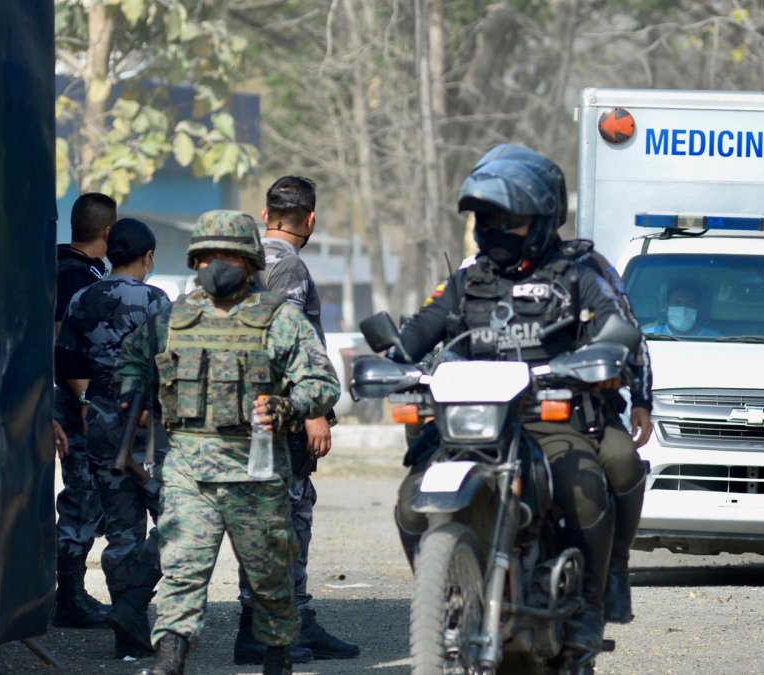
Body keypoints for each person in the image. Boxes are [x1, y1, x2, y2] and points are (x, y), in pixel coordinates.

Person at [391, 144, 650, 655]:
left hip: (551, 413)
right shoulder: (469, 279)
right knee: (409, 501)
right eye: (486, 220)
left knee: (591, 481)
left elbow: (622, 330)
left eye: (507, 220)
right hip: (476, 417)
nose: (493, 231)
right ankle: (445, 595)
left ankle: (592, 604)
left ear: (541, 221)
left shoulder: (578, 272)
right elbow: (421, 329)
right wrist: (394, 356)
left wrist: (613, 371)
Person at [115, 210, 340, 675]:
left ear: (250, 262)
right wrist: (131, 395)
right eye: (211, 256)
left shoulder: (277, 320)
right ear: (197, 260)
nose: (219, 264)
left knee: (270, 582)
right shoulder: (174, 318)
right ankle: (169, 660)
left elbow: (321, 382)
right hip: (189, 474)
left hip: (254, 474)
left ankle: (277, 660)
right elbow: (133, 358)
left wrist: (288, 407)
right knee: (181, 572)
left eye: (230, 256)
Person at [228, 176, 358, 664]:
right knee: (287, 519)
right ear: (310, 219)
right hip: (283, 417)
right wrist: (315, 412)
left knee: (265, 519)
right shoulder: (289, 268)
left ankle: (286, 622)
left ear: (266, 215)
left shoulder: (240, 260)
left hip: (247, 415)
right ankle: (268, 629)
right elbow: (292, 344)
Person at [56, 218, 171, 658]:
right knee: (176, 518)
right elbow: (168, 364)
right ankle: (134, 605)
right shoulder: (156, 301)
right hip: (148, 426)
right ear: (148, 256)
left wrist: (89, 404)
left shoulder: (85, 296)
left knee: (122, 529)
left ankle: (128, 628)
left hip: (100, 421)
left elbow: (66, 360)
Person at [53, 191, 117, 629]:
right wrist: (84, 401)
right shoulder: (76, 277)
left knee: (85, 497)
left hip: (70, 400)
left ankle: (70, 595)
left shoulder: (67, 266)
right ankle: (69, 599)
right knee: (82, 498)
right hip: (73, 402)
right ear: (108, 232)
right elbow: (64, 343)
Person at [643, 281, 721, 337]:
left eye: (690, 304)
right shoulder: (648, 335)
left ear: (698, 308)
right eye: (677, 303)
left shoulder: (714, 338)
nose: (683, 308)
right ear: (666, 306)